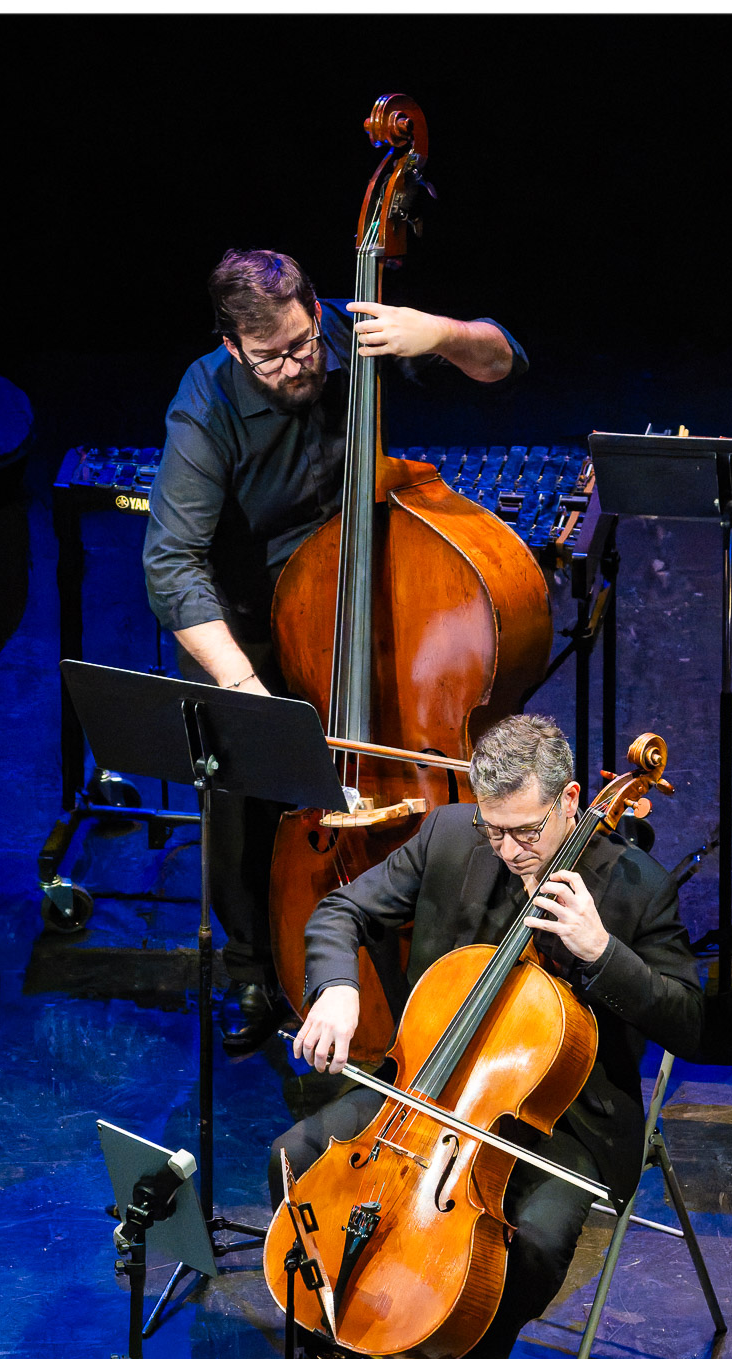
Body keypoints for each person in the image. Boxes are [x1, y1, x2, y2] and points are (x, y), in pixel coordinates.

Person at [211, 713, 705, 1359]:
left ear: (572, 799)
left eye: (526, 832)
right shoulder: (449, 836)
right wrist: (337, 990)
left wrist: (601, 951)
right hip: (428, 1090)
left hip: (561, 1118)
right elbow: (342, 910)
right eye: (493, 830)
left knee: (528, 1245)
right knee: (294, 1160)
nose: (508, 851)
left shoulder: (636, 889)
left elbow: (694, 1023)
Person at [142, 248, 527, 1055]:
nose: (297, 364)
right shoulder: (204, 401)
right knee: (247, 801)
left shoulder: (347, 338)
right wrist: (245, 685)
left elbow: (501, 361)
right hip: (249, 626)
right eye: (273, 357)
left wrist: (441, 334)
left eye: (303, 342)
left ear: (314, 310)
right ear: (232, 346)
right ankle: (254, 966)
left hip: (363, 590)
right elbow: (170, 563)